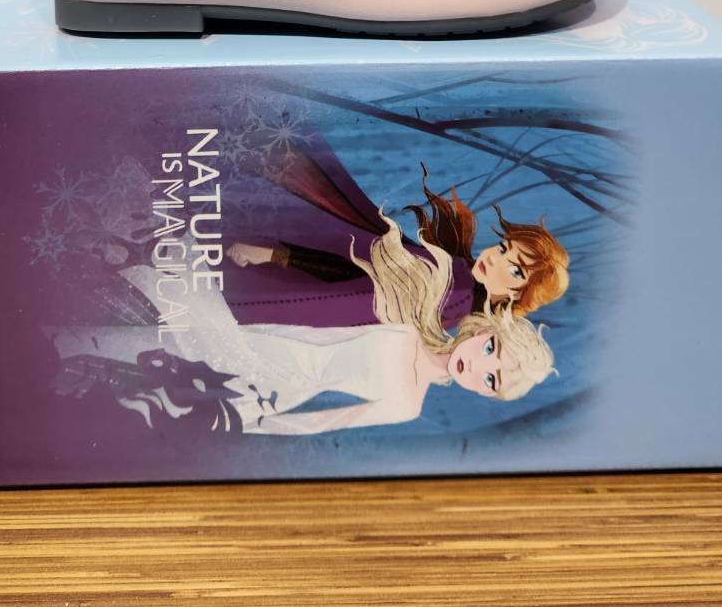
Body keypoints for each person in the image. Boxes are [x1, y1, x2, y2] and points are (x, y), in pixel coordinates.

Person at [50, 214, 556, 437]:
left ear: (487, 394)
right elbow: (327, 326)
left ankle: (73, 351)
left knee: (171, 370)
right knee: (180, 335)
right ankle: (70, 333)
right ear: (486, 333)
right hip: (271, 343)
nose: (479, 367)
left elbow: (325, 422)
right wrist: (260, 322)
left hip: (275, 389)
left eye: (492, 379)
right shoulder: (410, 327)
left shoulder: (408, 406)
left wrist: (255, 424)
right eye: (491, 351)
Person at [226, 140, 570, 325]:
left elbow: (355, 290)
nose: (495, 258)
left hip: (292, 305)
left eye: (515, 270)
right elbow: (361, 275)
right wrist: (275, 255)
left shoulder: (457, 296)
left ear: (520, 295)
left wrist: (276, 256)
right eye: (504, 247)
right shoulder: (455, 276)